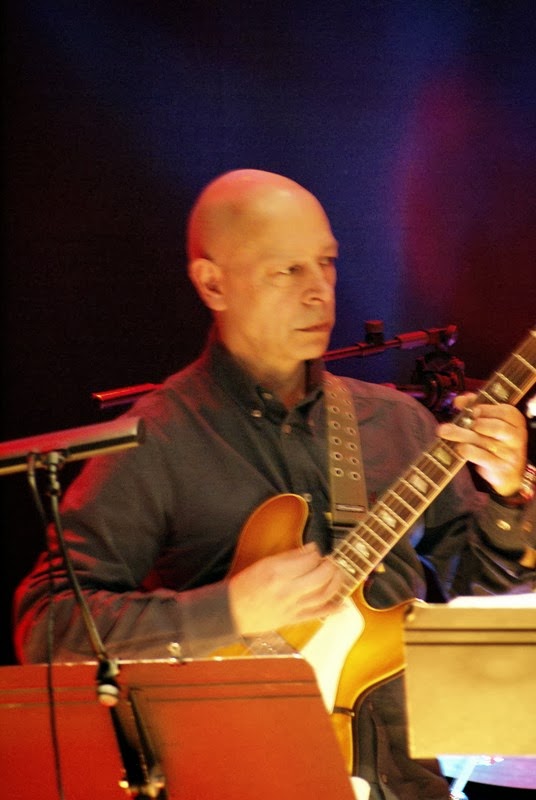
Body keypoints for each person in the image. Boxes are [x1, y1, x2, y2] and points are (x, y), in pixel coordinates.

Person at [14, 169, 534, 800]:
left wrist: (508, 492)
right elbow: (49, 626)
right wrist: (230, 611)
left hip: (403, 782)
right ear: (212, 283)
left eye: (326, 263)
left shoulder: (398, 422)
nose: (319, 292)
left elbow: (483, 587)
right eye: (287, 270)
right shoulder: (157, 439)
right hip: (237, 779)